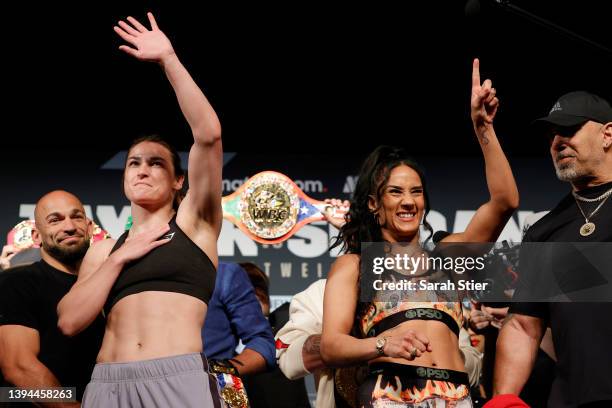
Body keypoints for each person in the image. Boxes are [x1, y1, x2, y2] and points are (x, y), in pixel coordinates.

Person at [320, 58, 519, 407]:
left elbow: (504, 202)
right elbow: (332, 345)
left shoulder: (447, 254)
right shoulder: (354, 265)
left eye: (416, 191)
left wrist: (483, 129)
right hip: (391, 397)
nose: (408, 201)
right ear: (372, 204)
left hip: (457, 396)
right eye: (395, 192)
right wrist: (381, 344)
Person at [57, 12, 224, 407]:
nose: (143, 170)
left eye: (156, 163)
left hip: (176, 379)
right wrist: (120, 258)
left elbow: (209, 135)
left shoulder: (196, 225)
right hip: (107, 383)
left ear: (178, 180)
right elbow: (69, 320)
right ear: (124, 177)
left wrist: (169, 60)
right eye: (134, 163)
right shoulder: (103, 250)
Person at [490, 91, 612, 407]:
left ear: (607, 134)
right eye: (552, 134)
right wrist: (504, 399)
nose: (558, 141)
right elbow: (523, 325)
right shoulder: (545, 232)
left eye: (569, 129)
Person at [277, 278, 482, 408]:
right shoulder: (325, 291)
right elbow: (289, 359)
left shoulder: (427, 295)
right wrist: (354, 344)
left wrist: (438, 346)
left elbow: (472, 367)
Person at [0, 191, 106, 406]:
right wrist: (72, 405)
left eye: (76, 217)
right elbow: (18, 367)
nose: (69, 227)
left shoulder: (109, 283)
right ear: (36, 236)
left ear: (89, 227)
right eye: (55, 220)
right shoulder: (16, 282)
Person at [203, 262, 275, 407]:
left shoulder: (223, 275)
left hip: (210, 394)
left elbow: (263, 343)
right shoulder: (145, 269)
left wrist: (219, 370)